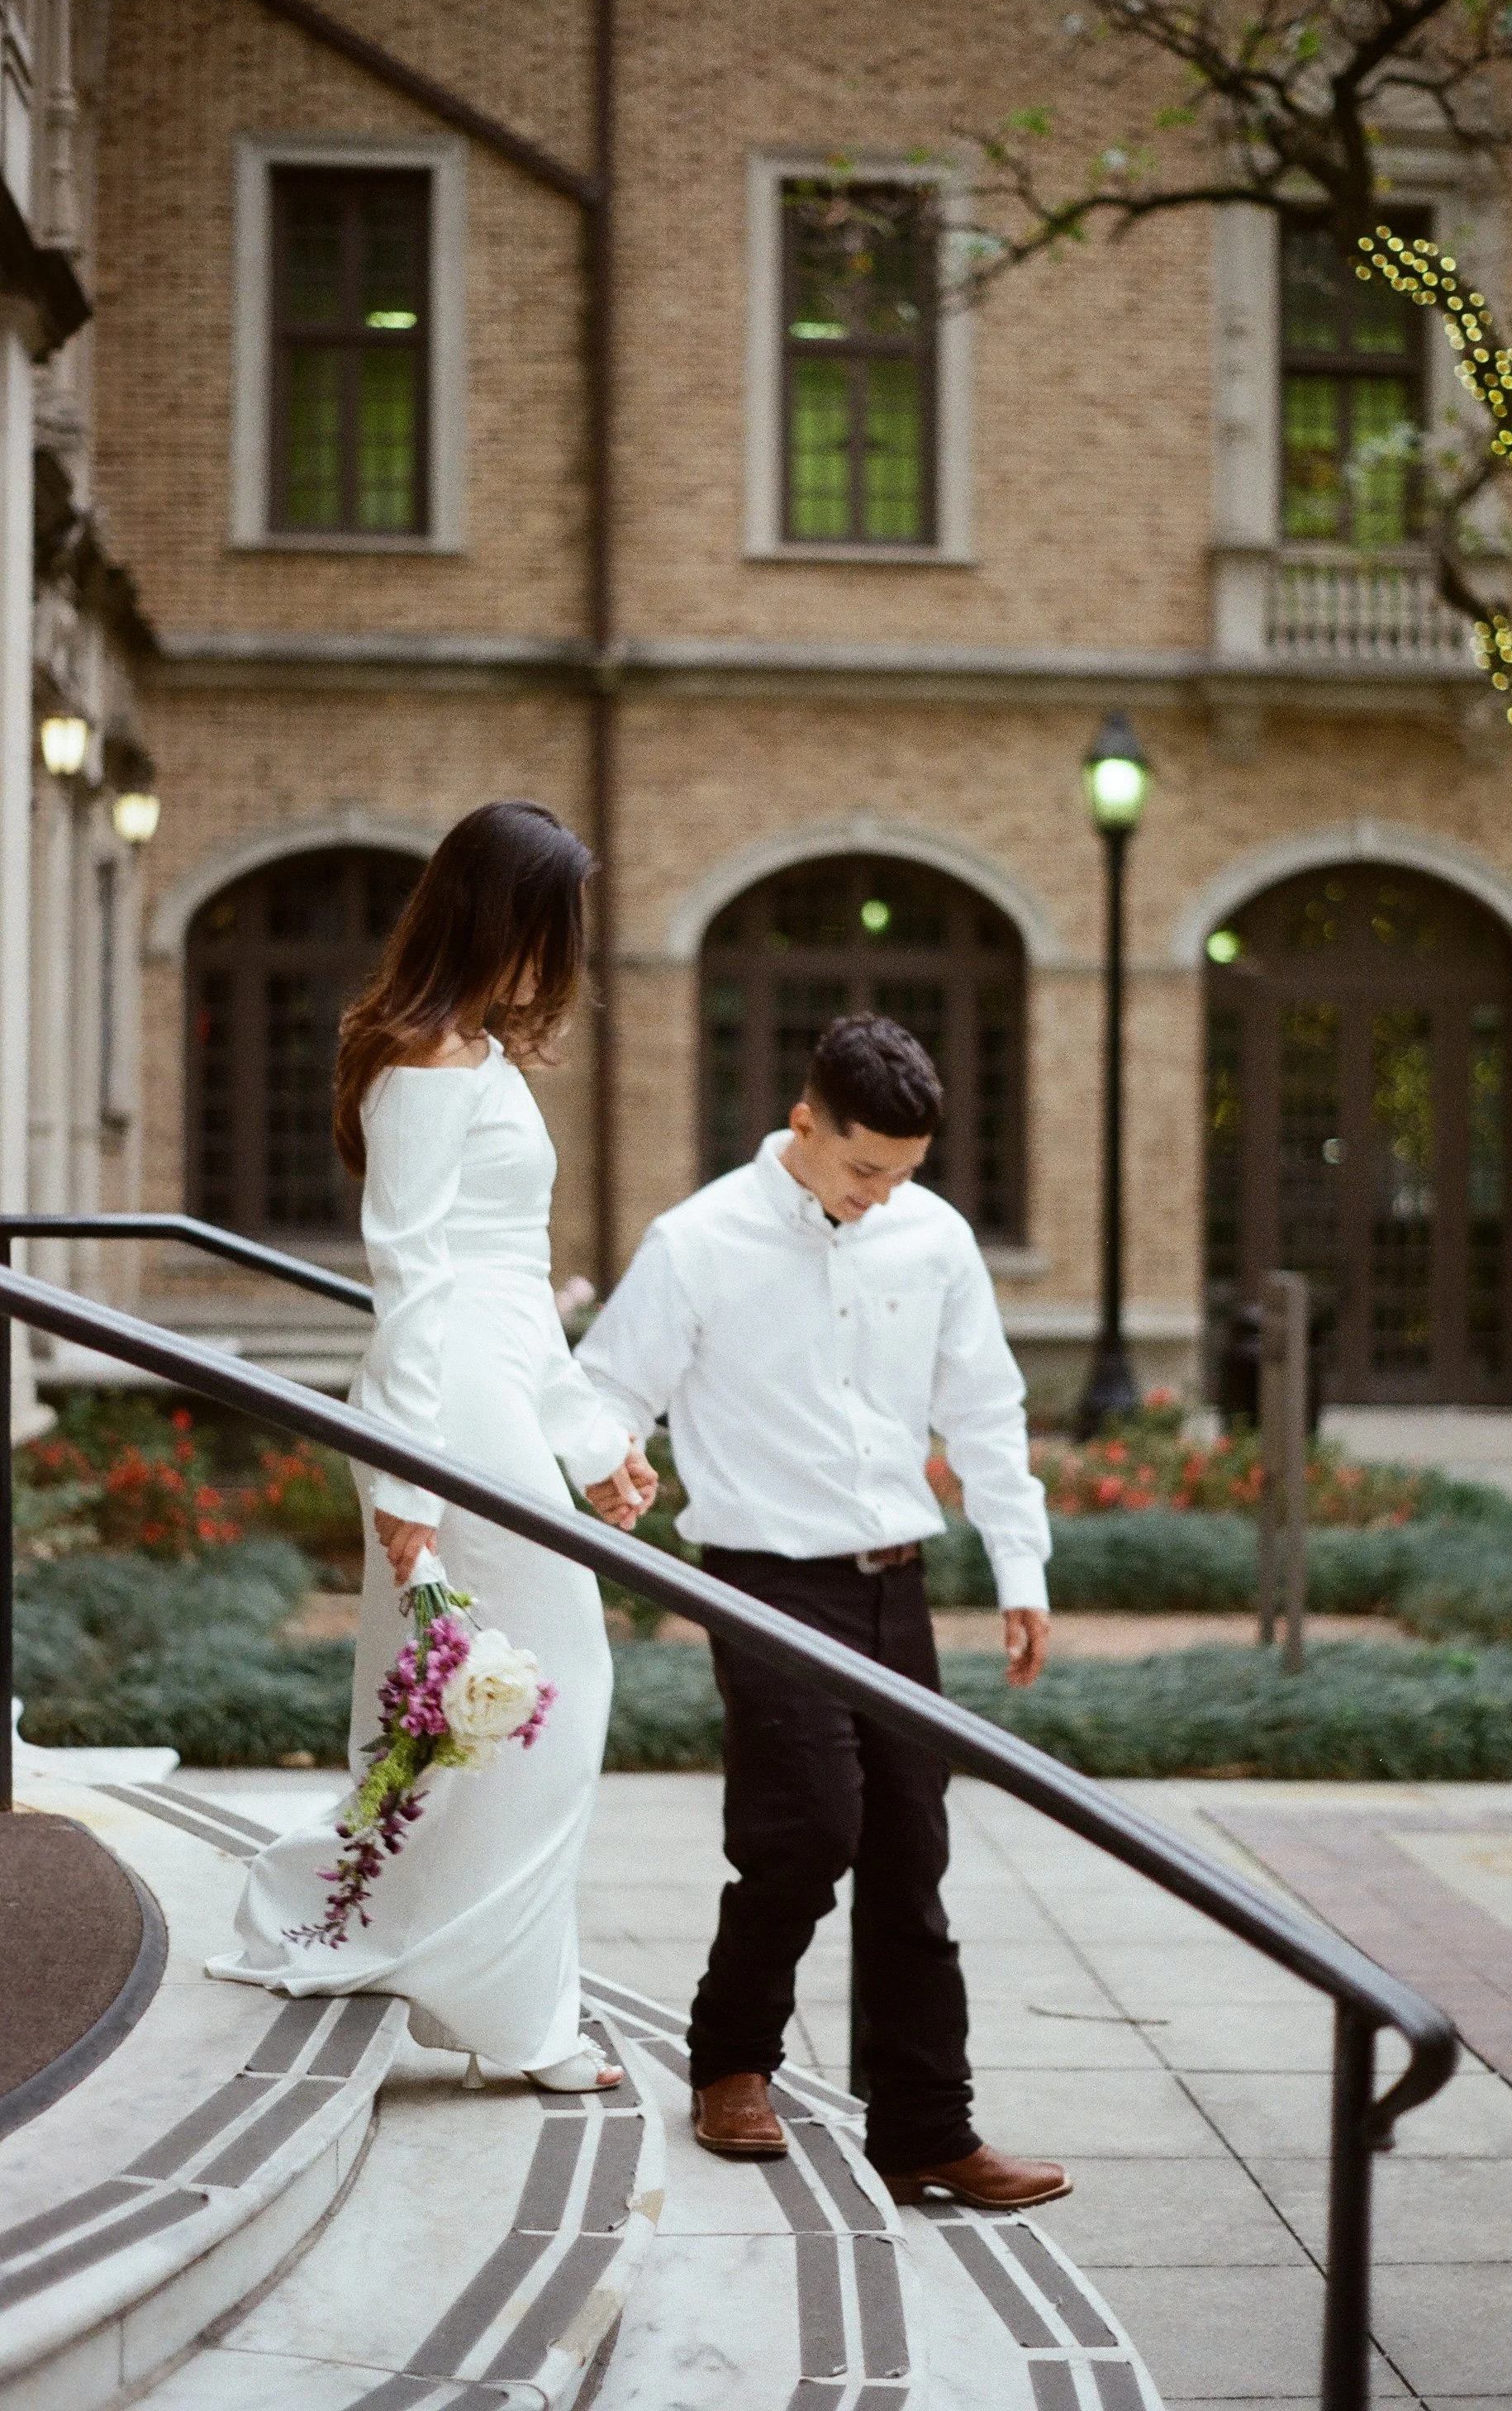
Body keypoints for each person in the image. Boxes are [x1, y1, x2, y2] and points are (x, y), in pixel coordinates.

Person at [577, 1014, 1070, 2206]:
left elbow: (987, 1411)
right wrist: (605, 1459)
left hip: (896, 1581)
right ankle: (732, 2059)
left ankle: (925, 2129)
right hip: (765, 1580)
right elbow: (605, 1387)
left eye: (905, 1174)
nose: (884, 1196)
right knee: (805, 1830)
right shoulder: (697, 1243)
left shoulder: (932, 1238)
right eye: (863, 1170)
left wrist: (1021, 1567)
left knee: (911, 1852)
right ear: (804, 1123)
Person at [209, 801, 658, 2092]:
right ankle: (504, 2008)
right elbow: (411, 1278)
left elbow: (516, 1278)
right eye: (549, 921)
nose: (560, 949)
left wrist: (593, 1439)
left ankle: (473, 1979)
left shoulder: (482, 1057)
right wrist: (404, 1480)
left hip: (498, 1378)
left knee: (496, 1705)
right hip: (444, 1394)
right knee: (537, 1695)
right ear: (493, 913)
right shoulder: (420, 1064)